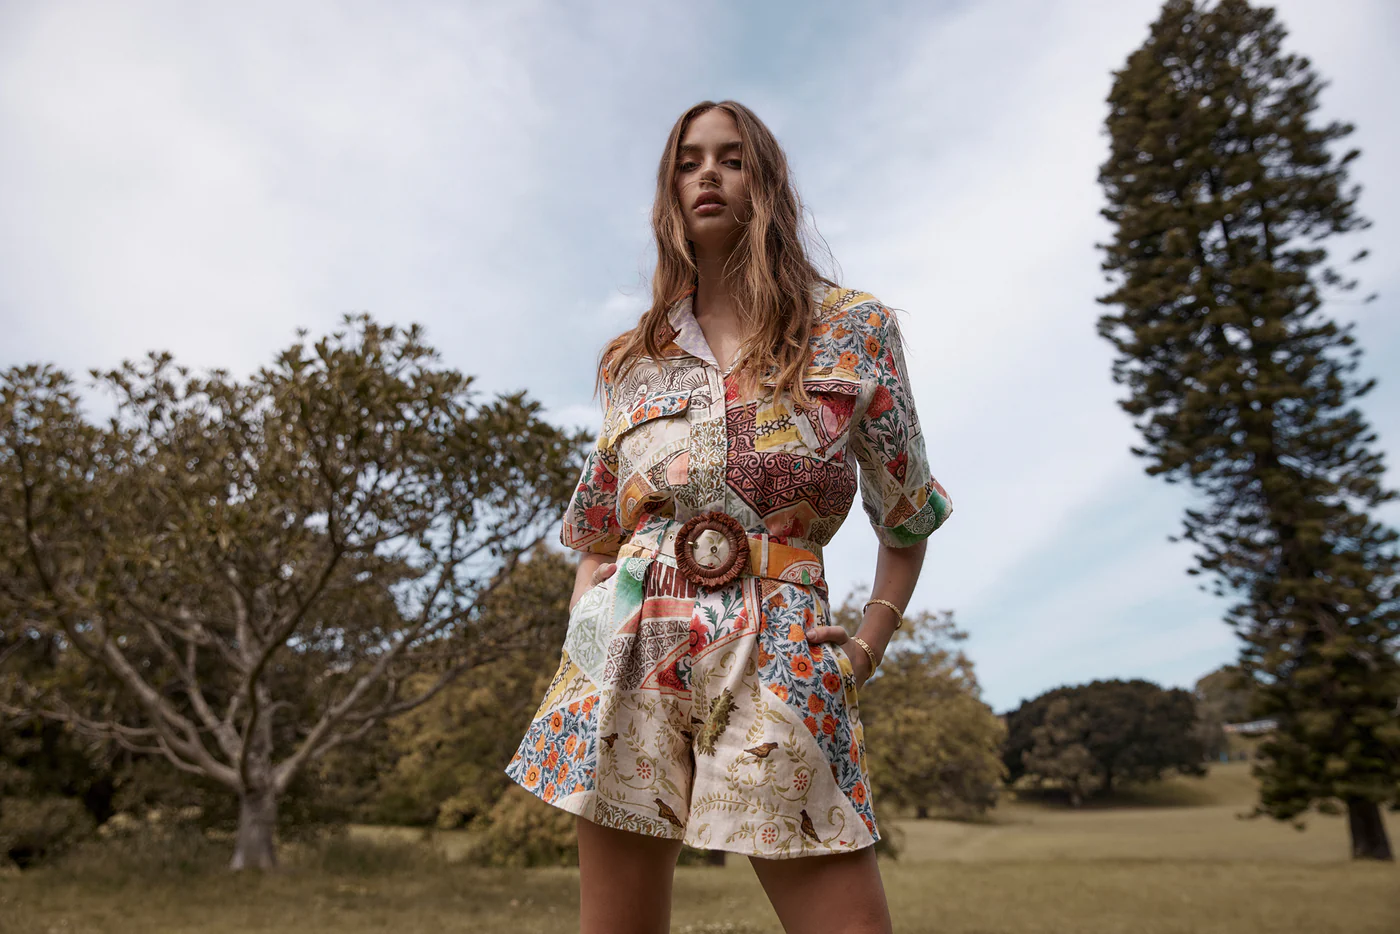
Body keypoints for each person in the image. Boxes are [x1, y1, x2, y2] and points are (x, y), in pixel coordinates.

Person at [505, 99, 954, 934]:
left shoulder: (854, 329)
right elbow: (598, 528)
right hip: (631, 648)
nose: (707, 173)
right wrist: (586, 629)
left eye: (731, 157)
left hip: (780, 641)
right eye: (687, 162)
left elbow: (907, 514)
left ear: (767, 182)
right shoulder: (634, 359)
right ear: (669, 193)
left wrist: (866, 646)